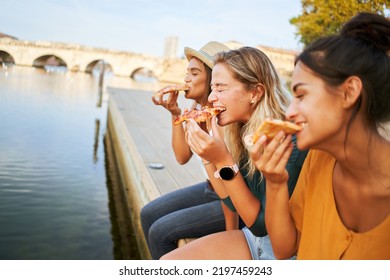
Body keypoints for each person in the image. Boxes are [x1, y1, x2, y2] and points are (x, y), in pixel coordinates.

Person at [251, 12, 390, 259]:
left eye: (302, 95)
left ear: (349, 92)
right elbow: (284, 249)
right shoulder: (317, 160)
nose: (289, 112)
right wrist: (275, 182)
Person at [161, 46, 308, 260]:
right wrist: (208, 156)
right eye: (212, 88)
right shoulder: (240, 129)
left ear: (255, 93)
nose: (211, 98)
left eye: (221, 89)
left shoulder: (286, 142)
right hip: (253, 239)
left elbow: (259, 225)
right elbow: (230, 200)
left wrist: (222, 159)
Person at [140, 41, 234, 260]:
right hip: (210, 189)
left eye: (194, 73)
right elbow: (182, 157)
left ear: (212, 79)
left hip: (230, 198)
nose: (186, 79)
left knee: (160, 232)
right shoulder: (196, 109)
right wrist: (175, 113)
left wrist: (232, 234)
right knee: (148, 213)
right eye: (187, 73)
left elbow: (229, 188)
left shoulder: (224, 117)